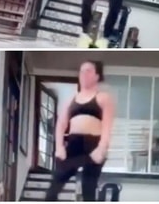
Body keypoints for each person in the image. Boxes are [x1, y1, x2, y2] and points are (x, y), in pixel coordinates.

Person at [45, 60, 115, 201]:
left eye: (88, 71)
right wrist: (59, 147)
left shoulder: (103, 97)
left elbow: (108, 125)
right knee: (53, 188)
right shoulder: (71, 98)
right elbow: (61, 124)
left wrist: (102, 148)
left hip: (93, 144)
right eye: (81, 71)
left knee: (88, 190)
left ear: (97, 76)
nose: (84, 74)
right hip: (73, 144)